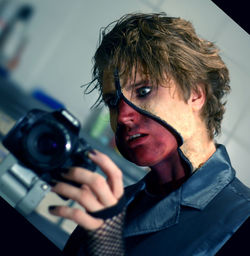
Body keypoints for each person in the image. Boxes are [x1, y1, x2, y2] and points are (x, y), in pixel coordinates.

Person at [48, 13, 250, 255]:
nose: (122, 116)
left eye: (144, 91)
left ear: (195, 94)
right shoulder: (114, 208)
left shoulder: (239, 217)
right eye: (113, 101)